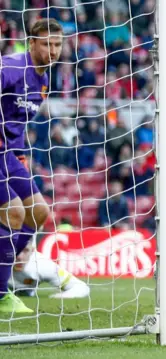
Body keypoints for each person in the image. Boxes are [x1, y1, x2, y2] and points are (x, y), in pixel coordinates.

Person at [0, 19, 62, 313]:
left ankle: (7, 264)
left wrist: (20, 152)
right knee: (14, 212)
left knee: (38, 212)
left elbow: (18, 121)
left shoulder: (45, 80)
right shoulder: (10, 68)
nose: (53, 50)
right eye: (47, 44)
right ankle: (1, 295)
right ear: (32, 43)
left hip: (9, 153)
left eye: (58, 44)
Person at [10, 244, 90, 299]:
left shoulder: (41, 265)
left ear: (32, 251)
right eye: (15, 250)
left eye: (25, 251)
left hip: (24, 293)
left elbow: (82, 287)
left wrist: (60, 297)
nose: (19, 257)